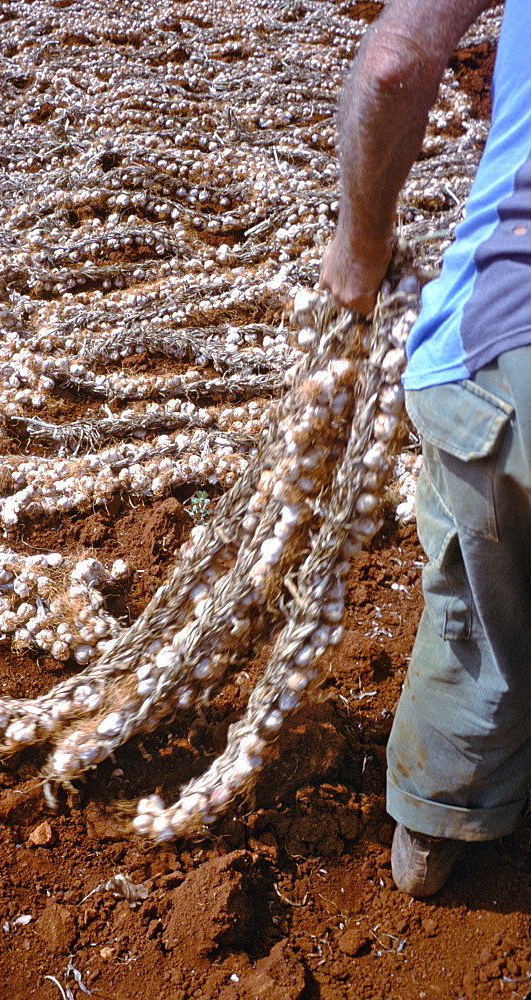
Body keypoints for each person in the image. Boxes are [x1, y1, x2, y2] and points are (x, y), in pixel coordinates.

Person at [320, 0, 531, 898]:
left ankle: (439, 820)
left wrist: (360, 248)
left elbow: (394, 65)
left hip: (508, 351)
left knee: (481, 610)